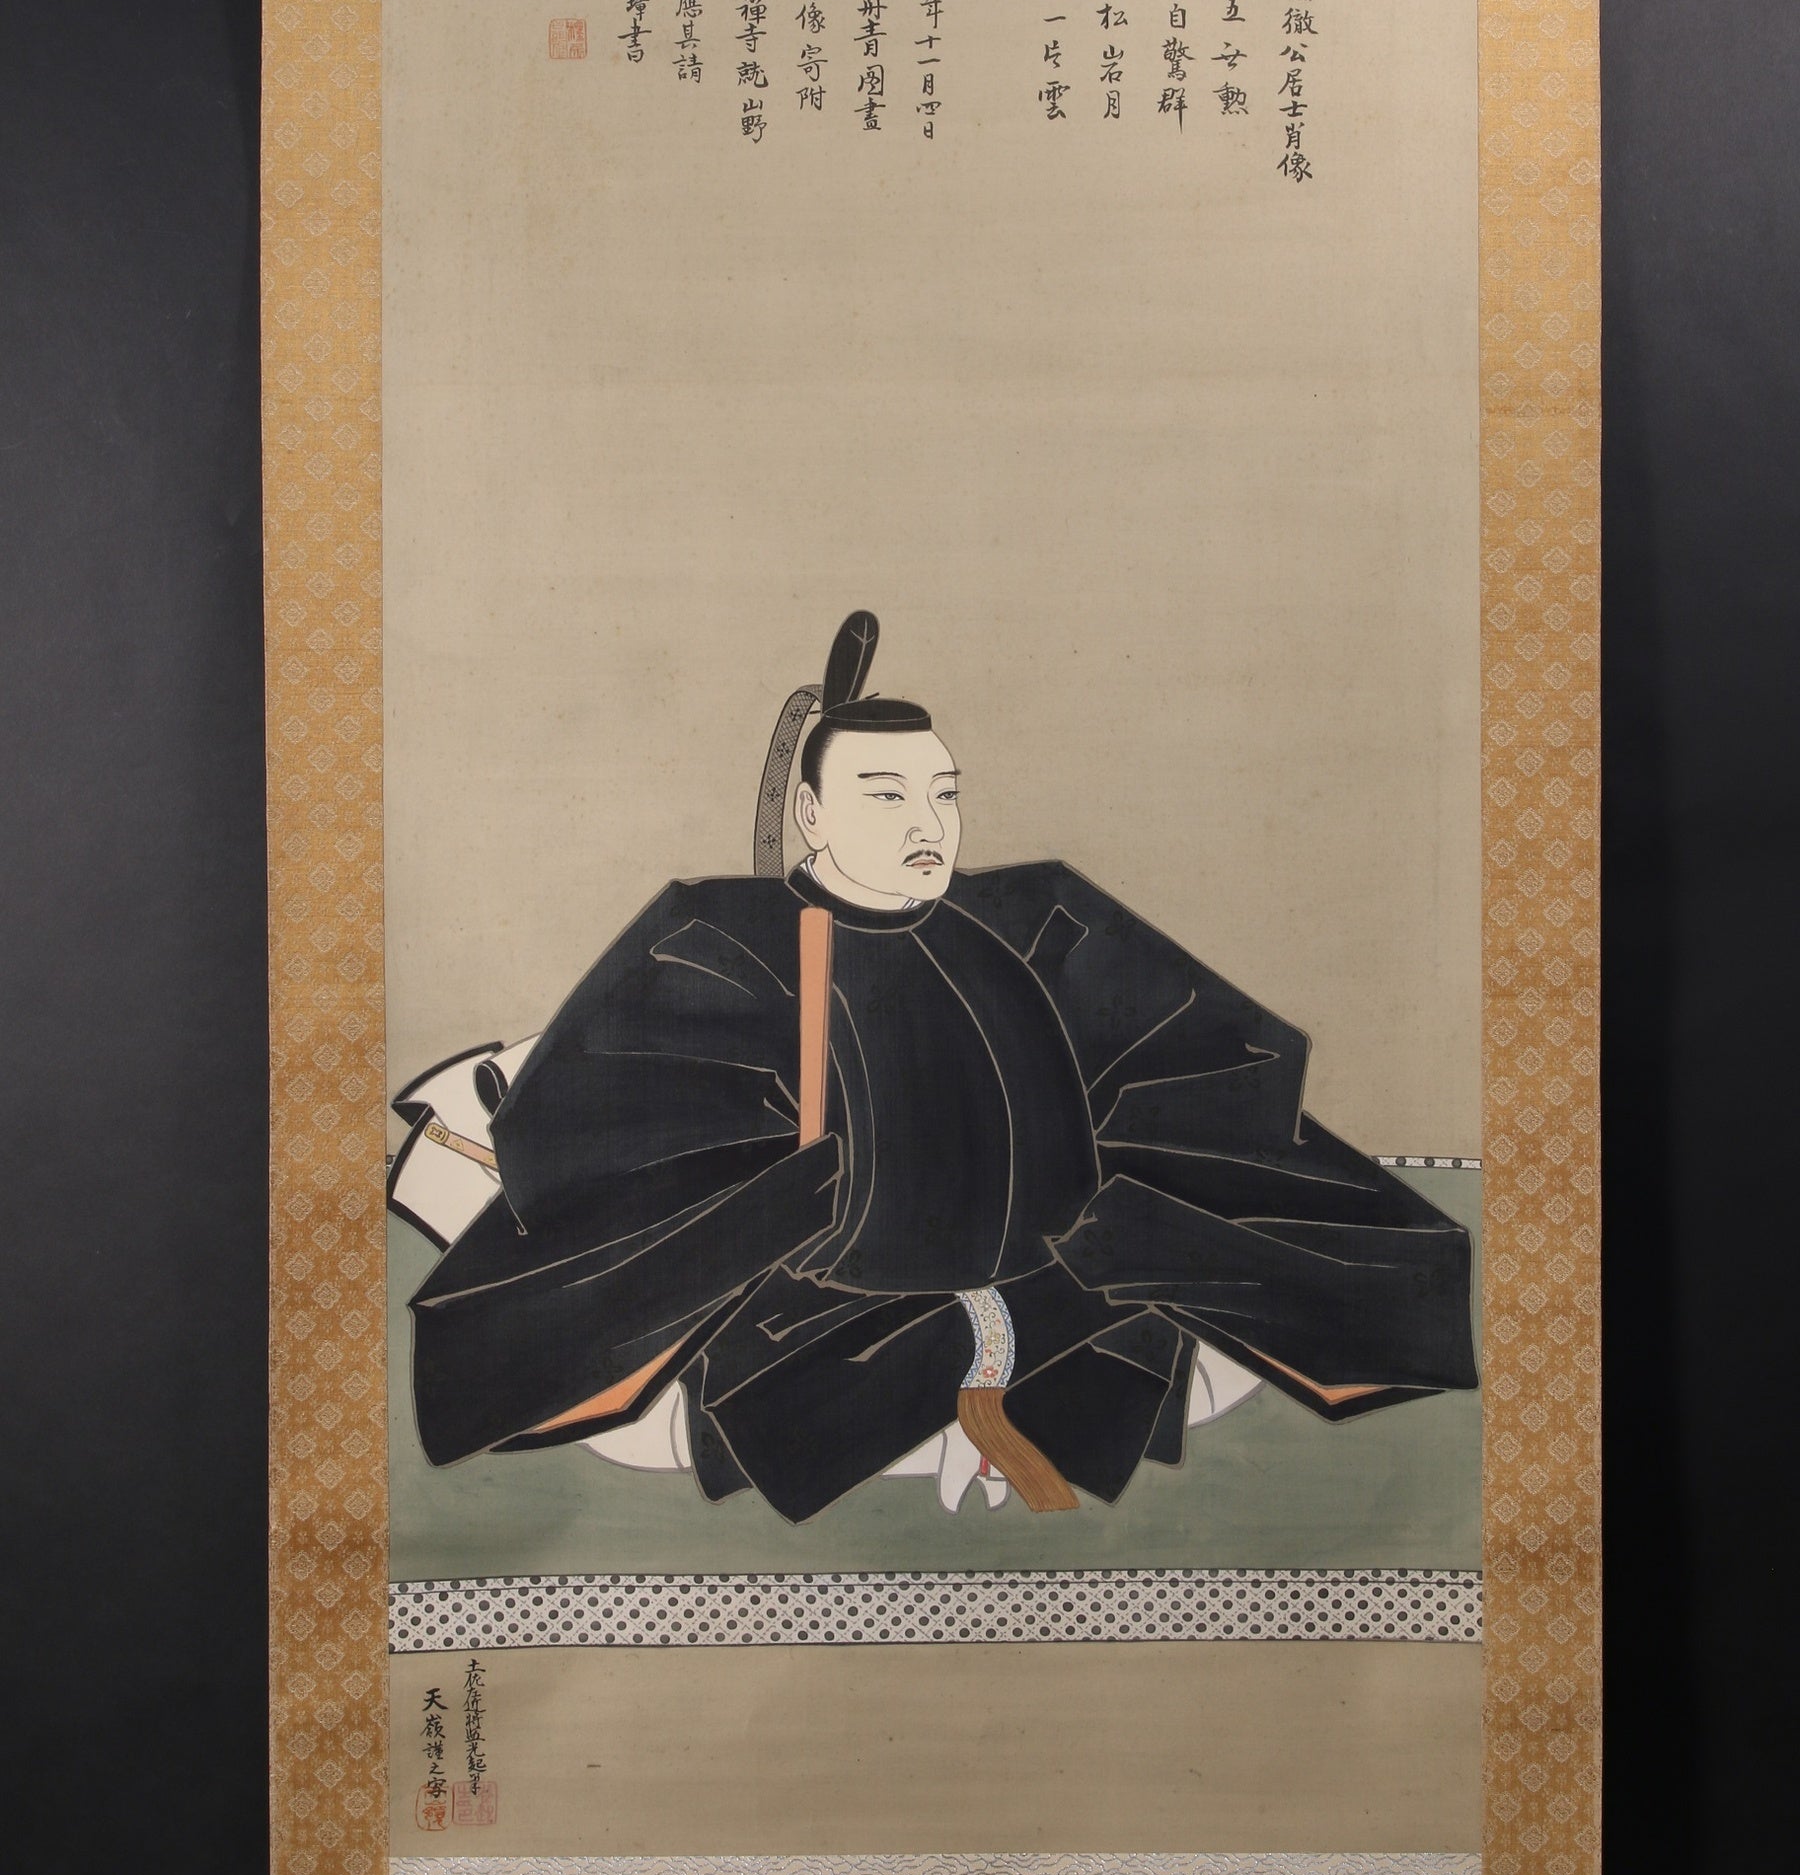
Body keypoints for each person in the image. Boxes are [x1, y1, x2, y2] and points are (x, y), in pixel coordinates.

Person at [407, 615, 1477, 1522]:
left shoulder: (1026, 917)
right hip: (821, 1298)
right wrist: (819, 1193)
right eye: (887, 797)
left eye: (944, 797)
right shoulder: (713, 938)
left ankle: (1012, 1365)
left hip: (1060, 1258)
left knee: (1323, 1261)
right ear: (813, 814)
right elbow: (621, 1129)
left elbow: (1199, 1061)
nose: (929, 827)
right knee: (806, 1375)